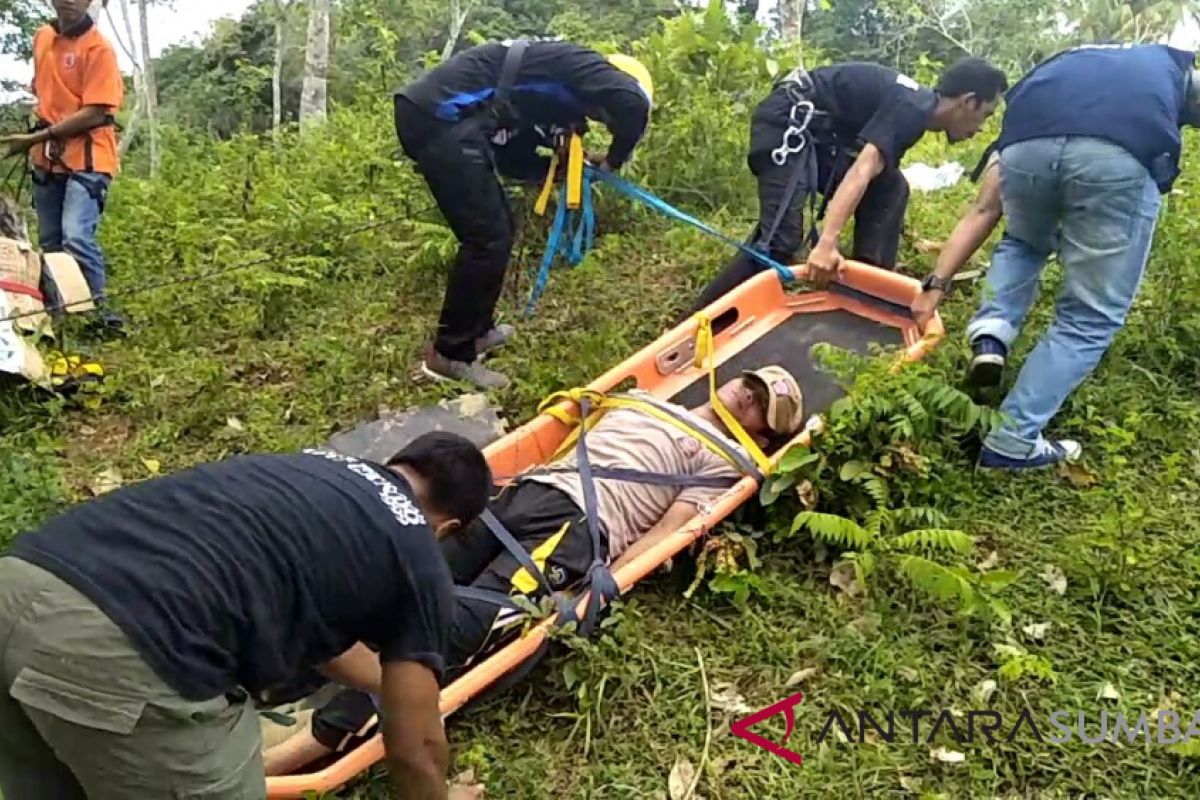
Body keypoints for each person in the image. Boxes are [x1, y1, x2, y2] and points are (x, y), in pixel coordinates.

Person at [262, 365, 807, 775]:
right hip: (522, 494)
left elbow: (671, 531)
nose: (747, 393)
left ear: (761, 435)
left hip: (577, 529)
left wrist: (607, 582)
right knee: (405, 580)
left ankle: (312, 743)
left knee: (453, 631)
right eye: (750, 383)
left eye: (761, 403)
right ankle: (286, 671)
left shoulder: (722, 464)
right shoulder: (647, 400)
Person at [0, 433, 493, 800]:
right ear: (448, 528)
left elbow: (327, 638)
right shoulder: (418, 553)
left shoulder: (311, 469)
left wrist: (393, 690)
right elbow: (416, 748)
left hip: (20, 587)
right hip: (128, 649)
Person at [910, 43, 1200, 470]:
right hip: (1119, 154)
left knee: (1024, 243)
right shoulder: (1174, 65)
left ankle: (991, 335)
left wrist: (937, 282)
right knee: (1089, 318)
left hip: (1026, 145)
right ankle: (1012, 440)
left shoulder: (1075, 60)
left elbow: (986, 206)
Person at [394, 39, 655, 390]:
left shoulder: (537, 98)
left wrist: (555, 167)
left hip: (441, 118)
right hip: (439, 115)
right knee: (486, 237)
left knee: (497, 229)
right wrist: (612, 162)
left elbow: (508, 154)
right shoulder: (581, 62)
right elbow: (632, 105)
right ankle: (450, 354)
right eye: (603, 116)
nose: (600, 119)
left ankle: (477, 332)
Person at [691, 57, 1008, 312]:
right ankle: (698, 323)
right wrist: (826, 242)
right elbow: (861, 169)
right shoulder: (914, 106)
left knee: (891, 187)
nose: (980, 129)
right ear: (968, 101)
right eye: (986, 114)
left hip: (819, 136)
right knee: (781, 240)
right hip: (788, 123)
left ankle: (868, 292)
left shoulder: (914, 104)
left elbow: (871, 174)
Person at [0, 0, 126, 337]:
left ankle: (100, 316)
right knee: (51, 242)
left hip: (88, 156)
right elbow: (43, 91)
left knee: (76, 238)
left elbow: (97, 111)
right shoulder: (42, 37)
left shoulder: (98, 48)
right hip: (48, 154)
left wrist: (36, 138)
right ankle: (62, 317)